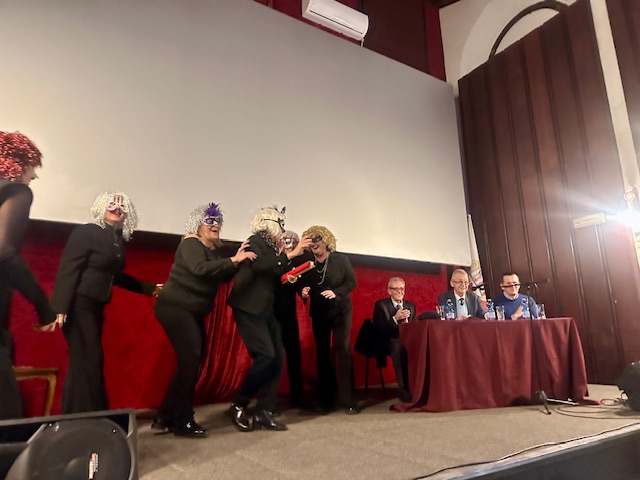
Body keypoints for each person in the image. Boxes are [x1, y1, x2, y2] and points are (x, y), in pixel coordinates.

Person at [51, 191, 162, 414]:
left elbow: (114, 275)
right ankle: (86, 417)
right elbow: (69, 268)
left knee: (86, 361)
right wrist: (60, 307)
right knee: (89, 360)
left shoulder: (115, 240)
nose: (117, 208)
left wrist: (148, 288)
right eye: (112, 204)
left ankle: (83, 416)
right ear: (101, 207)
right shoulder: (87, 232)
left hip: (95, 307)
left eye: (122, 205)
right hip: (78, 305)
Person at [153, 202, 256, 438]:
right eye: (209, 221)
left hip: (190, 311)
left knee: (191, 360)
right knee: (191, 358)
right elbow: (200, 269)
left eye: (218, 221)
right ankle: (182, 420)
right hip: (175, 307)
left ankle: (165, 416)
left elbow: (219, 274)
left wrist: (239, 260)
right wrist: (233, 260)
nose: (215, 225)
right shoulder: (191, 243)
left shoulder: (212, 252)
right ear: (198, 225)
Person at [227, 206, 310, 432]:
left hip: (265, 309)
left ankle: (264, 410)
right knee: (266, 355)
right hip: (248, 307)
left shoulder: (272, 247)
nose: (283, 230)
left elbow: (272, 272)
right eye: (281, 225)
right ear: (271, 224)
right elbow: (260, 266)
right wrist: (290, 255)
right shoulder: (255, 241)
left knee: (278, 358)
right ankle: (239, 403)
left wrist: (289, 274)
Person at [0, 131, 56, 419]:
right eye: (32, 167)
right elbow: (4, 251)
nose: (33, 176)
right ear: (17, 163)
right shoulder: (16, 191)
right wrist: (44, 307)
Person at [300, 225, 358, 415]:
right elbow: (303, 283)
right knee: (322, 354)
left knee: (343, 350)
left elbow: (352, 282)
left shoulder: (340, 259)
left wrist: (336, 292)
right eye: (310, 241)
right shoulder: (308, 263)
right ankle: (325, 401)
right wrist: (304, 291)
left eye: (317, 239)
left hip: (341, 310)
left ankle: (348, 400)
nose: (314, 243)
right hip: (320, 312)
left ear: (326, 241)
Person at [273, 230, 305, 407]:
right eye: (285, 240)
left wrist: (303, 290)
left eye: (292, 240)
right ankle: (269, 400)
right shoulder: (273, 260)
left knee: (294, 355)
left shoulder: (298, 263)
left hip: (289, 315)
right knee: (273, 356)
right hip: (272, 313)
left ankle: (298, 396)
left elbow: (301, 285)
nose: (289, 243)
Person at [371, 277, 416, 403]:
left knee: (420, 345)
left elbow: (414, 327)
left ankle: (417, 385)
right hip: (387, 339)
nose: (400, 292)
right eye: (396, 289)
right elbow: (379, 330)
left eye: (402, 289)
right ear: (389, 291)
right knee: (398, 347)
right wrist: (395, 319)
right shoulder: (381, 305)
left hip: (406, 339)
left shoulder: (411, 306)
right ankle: (402, 388)